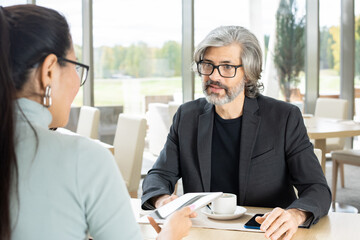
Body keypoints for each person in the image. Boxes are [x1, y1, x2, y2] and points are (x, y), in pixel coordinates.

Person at [0, 4, 195, 240]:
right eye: (75, 66)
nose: (76, 81)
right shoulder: (82, 158)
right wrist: (169, 234)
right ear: (49, 71)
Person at [142, 26, 331, 240]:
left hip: (265, 234)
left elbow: (317, 188)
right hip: (203, 233)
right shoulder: (187, 116)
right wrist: (162, 200)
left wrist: (295, 215)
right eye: (208, 65)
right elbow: (159, 175)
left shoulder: (284, 117)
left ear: (248, 74)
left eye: (226, 67)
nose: (214, 76)